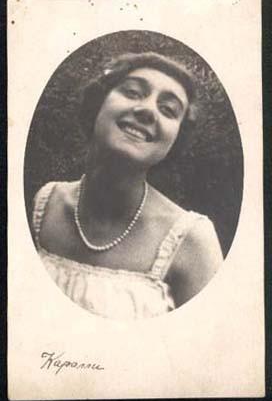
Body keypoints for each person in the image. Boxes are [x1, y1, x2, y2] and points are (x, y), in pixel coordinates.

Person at [32, 52, 223, 320]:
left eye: (168, 110)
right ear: (98, 104)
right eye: (133, 92)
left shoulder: (193, 241)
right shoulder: (45, 203)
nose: (147, 110)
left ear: (174, 142)